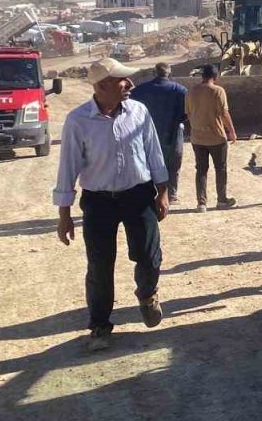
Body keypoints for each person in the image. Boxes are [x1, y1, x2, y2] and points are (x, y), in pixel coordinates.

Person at [54, 57, 170, 352]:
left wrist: (163, 191)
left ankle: (147, 294)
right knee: (100, 266)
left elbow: (153, 152)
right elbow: (67, 167)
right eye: (122, 80)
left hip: (138, 195)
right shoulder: (78, 120)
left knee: (149, 255)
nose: (130, 84)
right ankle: (100, 326)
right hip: (98, 202)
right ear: (103, 85)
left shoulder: (138, 112)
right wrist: (64, 214)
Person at [130, 62, 189, 204]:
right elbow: (187, 112)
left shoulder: (140, 90)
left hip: (146, 133)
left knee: (148, 162)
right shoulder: (180, 90)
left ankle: (151, 193)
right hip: (173, 132)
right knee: (173, 164)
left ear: (154, 72)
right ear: (169, 73)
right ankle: (172, 195)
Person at [185, 64, 238, 212]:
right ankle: (222, 200)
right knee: (220, 168)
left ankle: (201, 203)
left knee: (201, 170)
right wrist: (232, 131)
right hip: (216, 137)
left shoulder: (191, 92)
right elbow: (224, 113)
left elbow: (188, 113)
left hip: (197, 137)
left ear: (202, 76)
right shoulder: (218, 91)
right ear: (215, 77)